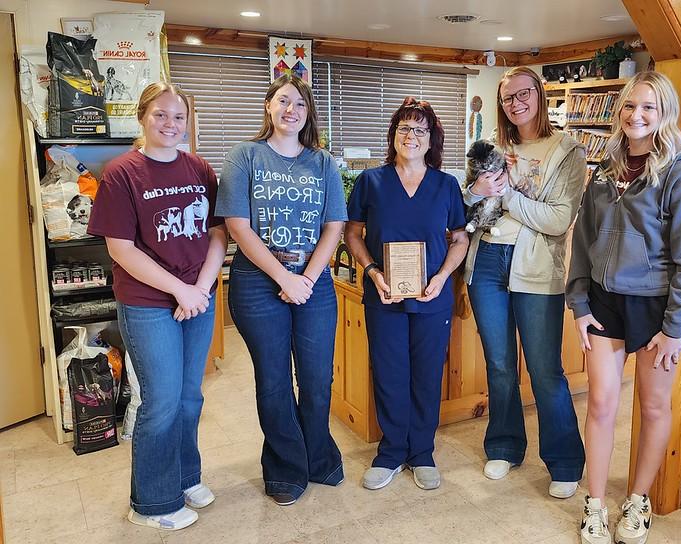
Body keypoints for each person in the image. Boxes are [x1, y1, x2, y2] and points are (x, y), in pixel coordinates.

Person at [566, 71, 681, 544]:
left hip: (657, 309)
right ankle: (595, 504)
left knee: (652, 406)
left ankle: (637, 500)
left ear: (664, 112)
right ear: (620, 111)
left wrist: (675, 328)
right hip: (605, 302)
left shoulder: (680, 171)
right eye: (631, 106)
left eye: (648, 107)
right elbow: (584, 242)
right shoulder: (606, 170)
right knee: (603, 403)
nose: (637, 115)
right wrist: (579, 302)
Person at [87, 82, 227, 531]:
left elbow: (218, 234)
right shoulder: (122, 173)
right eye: (161, 115)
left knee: (189, 398)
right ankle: (150, 503)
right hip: (149, 304)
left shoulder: (200, 168)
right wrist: (181, 292)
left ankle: (185, 478)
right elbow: (122, 250)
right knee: (162, 402)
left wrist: (201, 289)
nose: (170, 124)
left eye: (179, 117)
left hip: (198, 298)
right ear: (143, 117)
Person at [217, 74, 347, 506]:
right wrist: (284, 278)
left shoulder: (323, 163)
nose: (291, 110)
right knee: (273, 381)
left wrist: (307, 278)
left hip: (315, 283)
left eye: (300, 104)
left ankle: (318, 456)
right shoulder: (245, 156)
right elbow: (237, 225)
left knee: (317, 379)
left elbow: (334, 227)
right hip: (258, 283)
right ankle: (285, 467)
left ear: (308, 114)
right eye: (283, 101)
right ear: (268, 107)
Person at [463, 66, 586, 497]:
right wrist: (478, 191)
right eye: (508, 98)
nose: (515, 104)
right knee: (499, 365)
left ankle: (566, 461)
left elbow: (558, 219)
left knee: (545, 369)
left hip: (534, 266)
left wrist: (507, 195)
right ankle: (504, 445)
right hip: (486, 265)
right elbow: (467, 209)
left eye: (523, 94)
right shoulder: (492, 148)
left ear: (540, 93)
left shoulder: (566, 150)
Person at [344, 97, 469, 491]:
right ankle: (392, 452)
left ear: (432, 138)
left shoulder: (446, 185)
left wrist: (444, 276)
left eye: (420, 129)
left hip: (433, 297)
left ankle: (422, 452)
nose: (411, 136)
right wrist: (373, 272)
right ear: (393, 135)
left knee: (428, 375)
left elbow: (461, 239)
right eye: (404, 128)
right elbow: (352, 234)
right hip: (384, 296)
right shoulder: (371, 181)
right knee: (389, 373)